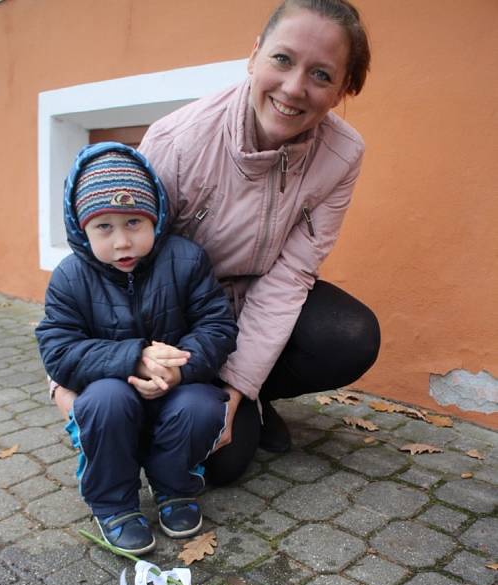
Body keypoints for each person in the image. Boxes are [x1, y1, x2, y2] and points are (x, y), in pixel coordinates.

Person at [54, 0, 380, 487]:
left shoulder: (343, 154)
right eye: (282, 60)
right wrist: (73, 377)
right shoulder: (178, 141)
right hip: (179, 315)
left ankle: (254, 397)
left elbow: (292, 274)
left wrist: (236, 389)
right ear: (254, 55)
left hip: (252, 301)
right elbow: (112, 262)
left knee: (350, 336)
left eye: (321, 74)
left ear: (343, 90)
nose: (293, 89)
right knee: (222, 465)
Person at [36, 143, 238, 554]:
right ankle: (113, 502)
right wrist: (133, 358)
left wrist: (178, 369)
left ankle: (174, 487)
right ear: (80, 229)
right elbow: (58, 348)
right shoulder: (70, 277)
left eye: (133, 222)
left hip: (177, 386)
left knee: (201, 405)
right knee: (104, 402)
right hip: (112, 388)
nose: (123, 242)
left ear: (156, 216)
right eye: (104, 228)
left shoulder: (186, 259)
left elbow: (217, 325)